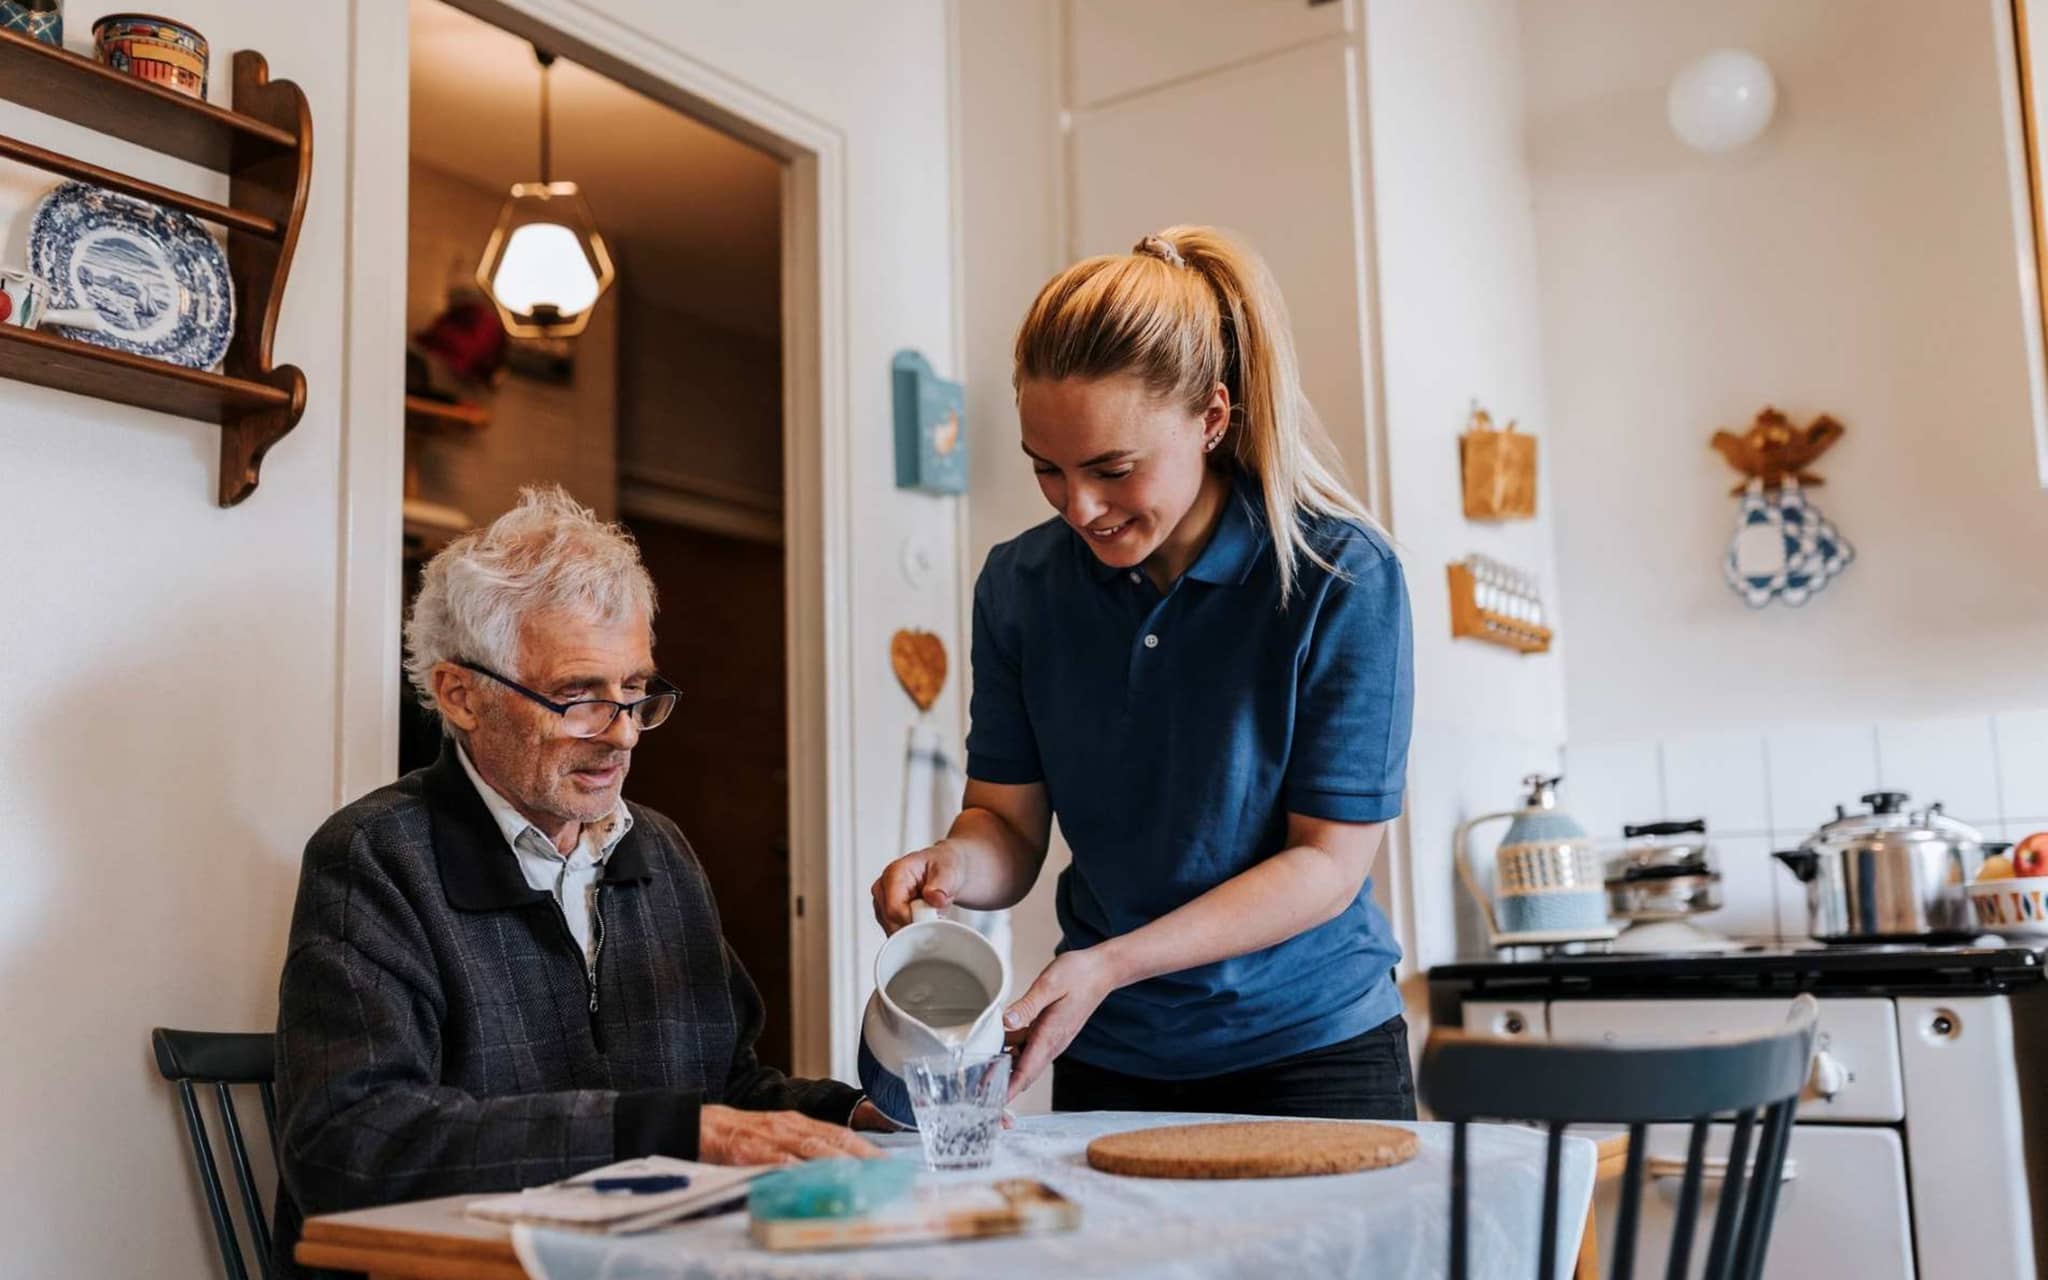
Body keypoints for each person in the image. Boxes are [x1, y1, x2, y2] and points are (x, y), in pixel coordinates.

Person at [872, 226, 1415, 1119]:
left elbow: (1327, 863)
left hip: (1311, 1046)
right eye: (1047, 470)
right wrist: (951, 864)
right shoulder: (1019, 587)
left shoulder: (1340, 576)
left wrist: (1112, 963)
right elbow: (1007, 825)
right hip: (1114, 1050)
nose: (1081, 507)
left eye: (1112, 469)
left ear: (1213, 418)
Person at [273, 487, 882, 1278]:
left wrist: (852, 1114)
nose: (623, 735)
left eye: (635, 692)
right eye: (578, 697)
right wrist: (669, 1132)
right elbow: (349, 1143)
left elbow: (726, 1089)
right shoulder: (374, 858)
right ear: (461, 694)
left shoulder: (659, 852)